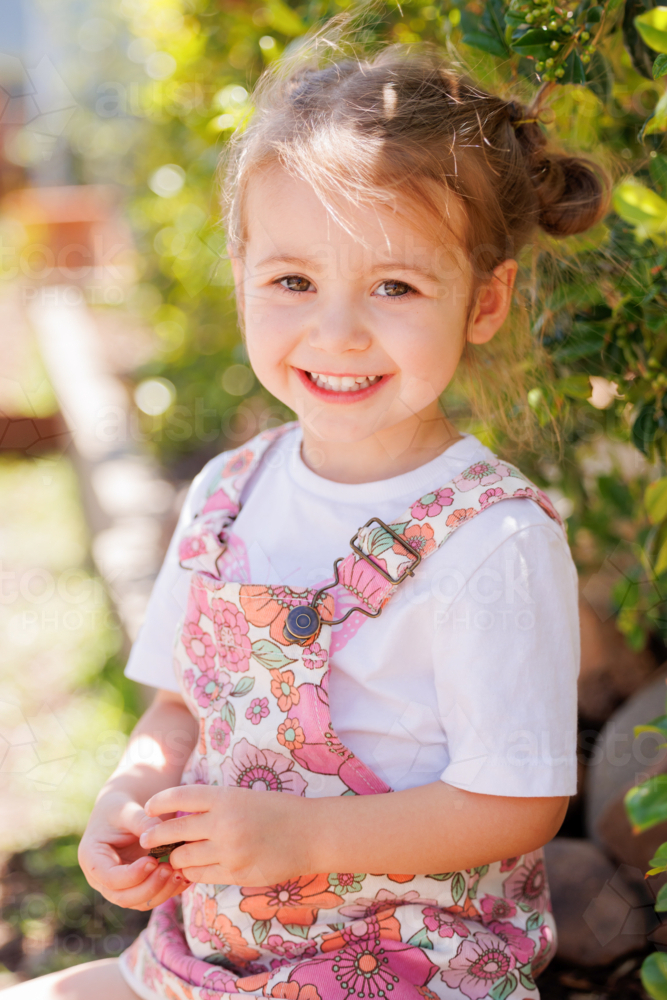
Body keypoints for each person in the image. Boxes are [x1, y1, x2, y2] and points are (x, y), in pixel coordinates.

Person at [8, 43, 607, 1000]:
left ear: (482, 302)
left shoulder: (489, 536)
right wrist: (129, 796)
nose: (337, 333)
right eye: (293, 282)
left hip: (408, 964)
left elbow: (519, 800)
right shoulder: (229, 490)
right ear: (241, 272)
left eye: (395, 287)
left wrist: (304, 836)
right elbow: (176, 706)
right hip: (214, 952)